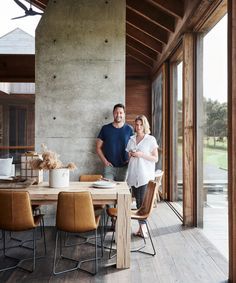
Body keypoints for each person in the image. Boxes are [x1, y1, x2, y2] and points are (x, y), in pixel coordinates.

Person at [126, 115, 158, 238]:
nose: (138, 127)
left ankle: (143, 228)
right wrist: (131, 154)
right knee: (138, 203)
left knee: (142, 204)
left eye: (140, 124)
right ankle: (141, 228)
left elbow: (155, 158)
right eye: (136, 124)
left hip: (145, 176)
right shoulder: (131, 139)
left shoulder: (150, 139)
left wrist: (141, 154)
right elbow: (129, 155)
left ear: (145, 125)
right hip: (133, 174)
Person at [96, 103, 133, 181]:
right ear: (113, 113)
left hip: (124, 167)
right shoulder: (105, 128)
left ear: (124, 114)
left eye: (121, 113)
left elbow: (134, 147)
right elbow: (98, 147)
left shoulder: (129, 129)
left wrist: (130, 160)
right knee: (108, 192)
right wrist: (105, 161)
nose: (118, 115)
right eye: (116, 112)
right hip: (109, 167)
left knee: (122, 191)